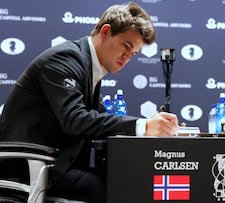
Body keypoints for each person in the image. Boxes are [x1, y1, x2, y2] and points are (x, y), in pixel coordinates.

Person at [0, 2, 179, 202]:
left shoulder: (88, 65)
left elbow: (98, 116)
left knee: (124, 179)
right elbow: (75, 120)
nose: (127, 57)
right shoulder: (65, 59)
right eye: (126, 46)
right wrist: (143, 125)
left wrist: (147, 123)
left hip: (54, 165)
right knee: (119, 187)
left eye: (134, 53)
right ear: (105, 31)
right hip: (29, 170)